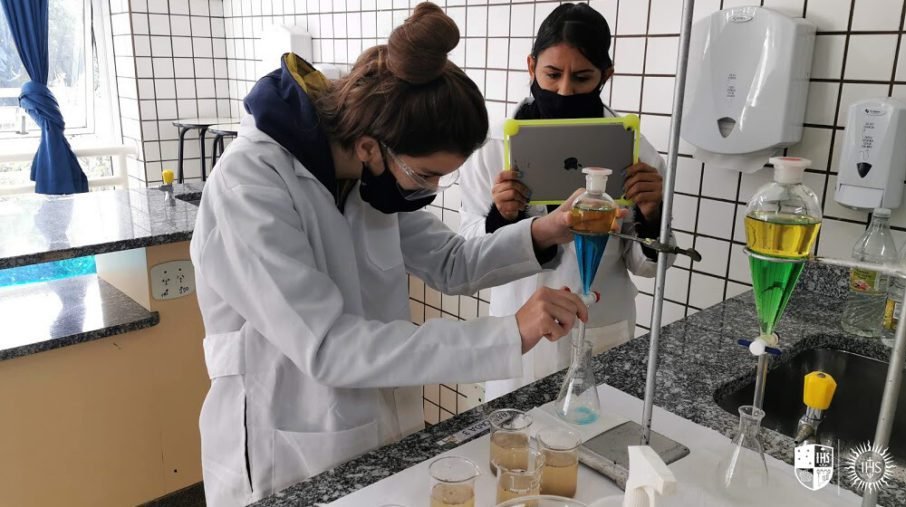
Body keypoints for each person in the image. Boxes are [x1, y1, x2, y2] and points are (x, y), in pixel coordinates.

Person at [190, 4, 622, 505]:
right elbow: (329, 346)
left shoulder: (365, 173)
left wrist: (549, 229)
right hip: (286, 440)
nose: (432, 191)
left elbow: (451, 262)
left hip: (378, 425)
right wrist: (508, 333)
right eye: (427, 175)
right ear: (372, 147)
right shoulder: (251, 187)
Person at [459, 2, 675, 402]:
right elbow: (466, 254)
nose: (564, 91)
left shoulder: (635, 154)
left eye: (582, 78)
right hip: (519, 328)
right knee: (513, 444)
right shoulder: (492, 151)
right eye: (552, 74)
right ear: (531, 66)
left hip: (599, 325)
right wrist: (499, 217)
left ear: (606, 76)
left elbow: (645, 265)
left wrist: (653, 214)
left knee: (594, 443)